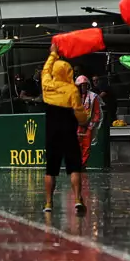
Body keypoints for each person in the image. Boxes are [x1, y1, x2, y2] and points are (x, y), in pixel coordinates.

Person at [41, 45, 92, 214]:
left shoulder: (47, 84)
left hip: (51, 132)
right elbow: (79, 112)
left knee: (51, 169)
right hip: (69, 132)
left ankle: (48, 203)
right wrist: (85, 120)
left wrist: (53, 53)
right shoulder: (71, 90)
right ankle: (78, 198)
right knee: (74, 167)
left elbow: (46, 69)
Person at [76, 75, 103, 165]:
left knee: (86, 146)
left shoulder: (93, 96)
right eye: (81, 85)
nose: (83, 87)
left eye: (85, 85)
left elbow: (97, 112)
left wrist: (91, 125)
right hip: (76, 125)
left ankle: (83, 165)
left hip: (88, 126)